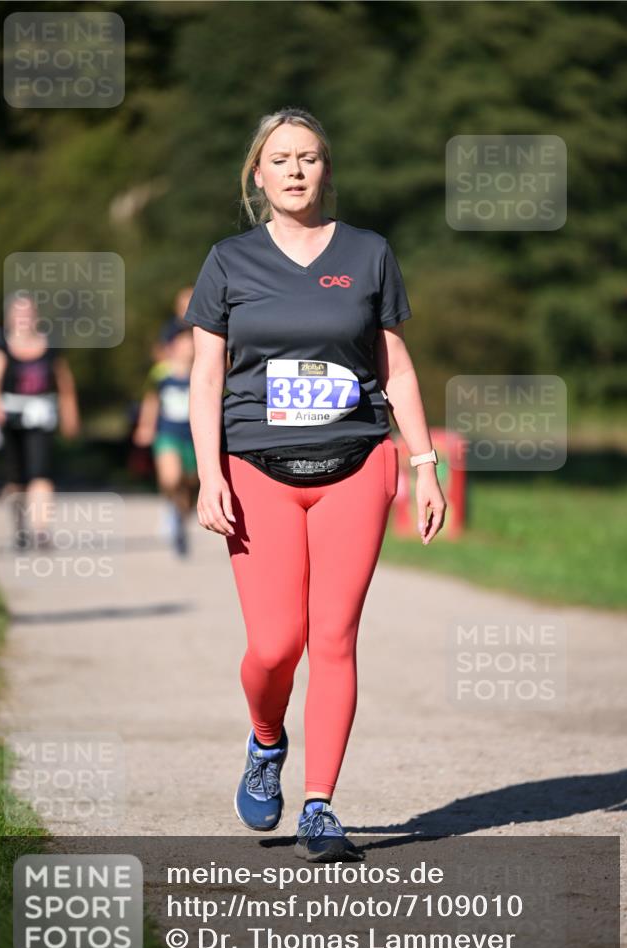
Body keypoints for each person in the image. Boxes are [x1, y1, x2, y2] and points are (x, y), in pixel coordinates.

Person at [186, 108, 446, 862]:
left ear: (324, 170)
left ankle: (320, 803)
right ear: (257, 175)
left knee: (332, 638)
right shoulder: (228, 261)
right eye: (280, 159)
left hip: (357, 465)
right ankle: (266, 740)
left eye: (308, 158)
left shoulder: (368, 254)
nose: (295, 170)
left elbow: (394, 369)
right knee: (274, 645)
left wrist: (424, 465)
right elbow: (206, 376)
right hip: (255, 470)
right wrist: (209, 475)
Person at [0, 293, 80, 547]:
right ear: (10, 317)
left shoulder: (49, 345)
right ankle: (20, 528)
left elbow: (64, 381)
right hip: (10, 416)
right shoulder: (0, 344)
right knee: (16, 479)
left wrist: (70, 413)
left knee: (40, 473)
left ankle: (41, 531)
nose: (24, 318)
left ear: (36, 316)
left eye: (28, 313)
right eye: (19, 313)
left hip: (42, 415)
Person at [133, 325, 199, 556]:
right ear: (172, 347)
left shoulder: (200, 372)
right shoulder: (161, 373)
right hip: (167, 434)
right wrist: (146, 426)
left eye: (190, 343)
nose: (187, 348)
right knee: (171, 478)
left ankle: (181, 519)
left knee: (190, 483)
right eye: (182, 343)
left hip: (194, 437)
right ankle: (171, 508)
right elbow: (151, 400)